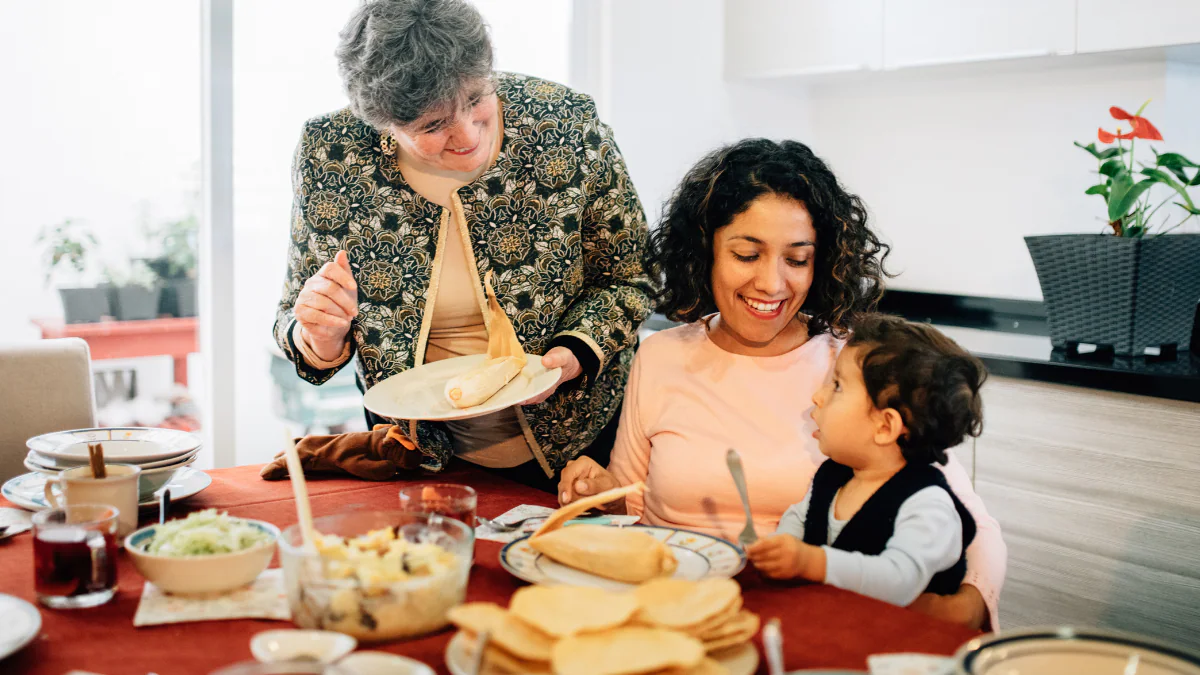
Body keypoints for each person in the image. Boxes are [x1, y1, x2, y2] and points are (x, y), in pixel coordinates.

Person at [557, 138, 1006, 629]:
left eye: (796, 260)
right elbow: (632, 501)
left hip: (811, 618)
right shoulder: (662, 355)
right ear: (706, 250)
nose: (772, 284)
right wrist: (597, 492)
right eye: (747, 254)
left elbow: (963, 515)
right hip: (679, 609)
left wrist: (962, 609)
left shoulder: (855, 364)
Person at [272, 0, 653, 492]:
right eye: (432, 127)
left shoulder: (564, 126)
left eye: (476, 99)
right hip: (415, 456)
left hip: (580, 449)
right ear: (382, 123)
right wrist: (320, 338)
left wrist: (574, 352)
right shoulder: (332, 152)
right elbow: (296, 313)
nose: (468, 134)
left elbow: (632, 276)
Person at [747, 314, 985, 609]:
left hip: (908, 643)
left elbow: (898, 581)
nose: (818, 397)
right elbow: (800, 517)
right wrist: (782, 546)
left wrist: (810, 562)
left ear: (885, 427)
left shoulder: (927, 504)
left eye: (836, 386)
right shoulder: (834, 476)